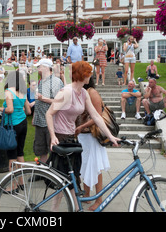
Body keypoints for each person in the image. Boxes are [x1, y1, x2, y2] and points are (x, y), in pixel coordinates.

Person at [46, 61, 120, 211]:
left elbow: (97, 117)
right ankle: (54, 211)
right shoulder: (66, 92)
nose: (91, 76)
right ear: (82, 75)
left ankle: (75, 208)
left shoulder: (84, 93)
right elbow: (49, 113)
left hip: (71, 137)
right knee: (63, 179)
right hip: (60, 136)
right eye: (89, 73)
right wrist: (53, 136)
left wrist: (111, 136)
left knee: (72, 179)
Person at [74, 76, 111, 211]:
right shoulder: (81, 92)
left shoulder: (92, 92)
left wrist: (81, 126)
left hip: (91, 136)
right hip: (83, 136)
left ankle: (99, 199)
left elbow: (98, 116)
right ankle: (87, 194)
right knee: (85, 166)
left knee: (96, 167)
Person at [0, 70, 31, 175]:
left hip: (13, 125)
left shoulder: (9, 91)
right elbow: (28, 111)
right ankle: (21, 181)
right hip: (23, 123)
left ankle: (12, 186)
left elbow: (10, 109)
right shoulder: (23, 92)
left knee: (12, 156)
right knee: (20, 152)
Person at [32, 58, 64, 164]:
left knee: (53, 150)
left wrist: (43, 98)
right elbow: (38, 102)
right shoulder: (41, 81)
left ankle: (52, 175)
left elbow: (60, 102)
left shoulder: (56, 82)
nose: (38, 69)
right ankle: (42, 172)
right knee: (41, 150)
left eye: (39, 67)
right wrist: (34, 117)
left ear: (45, 68)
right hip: (40, 121)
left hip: (51, 123)